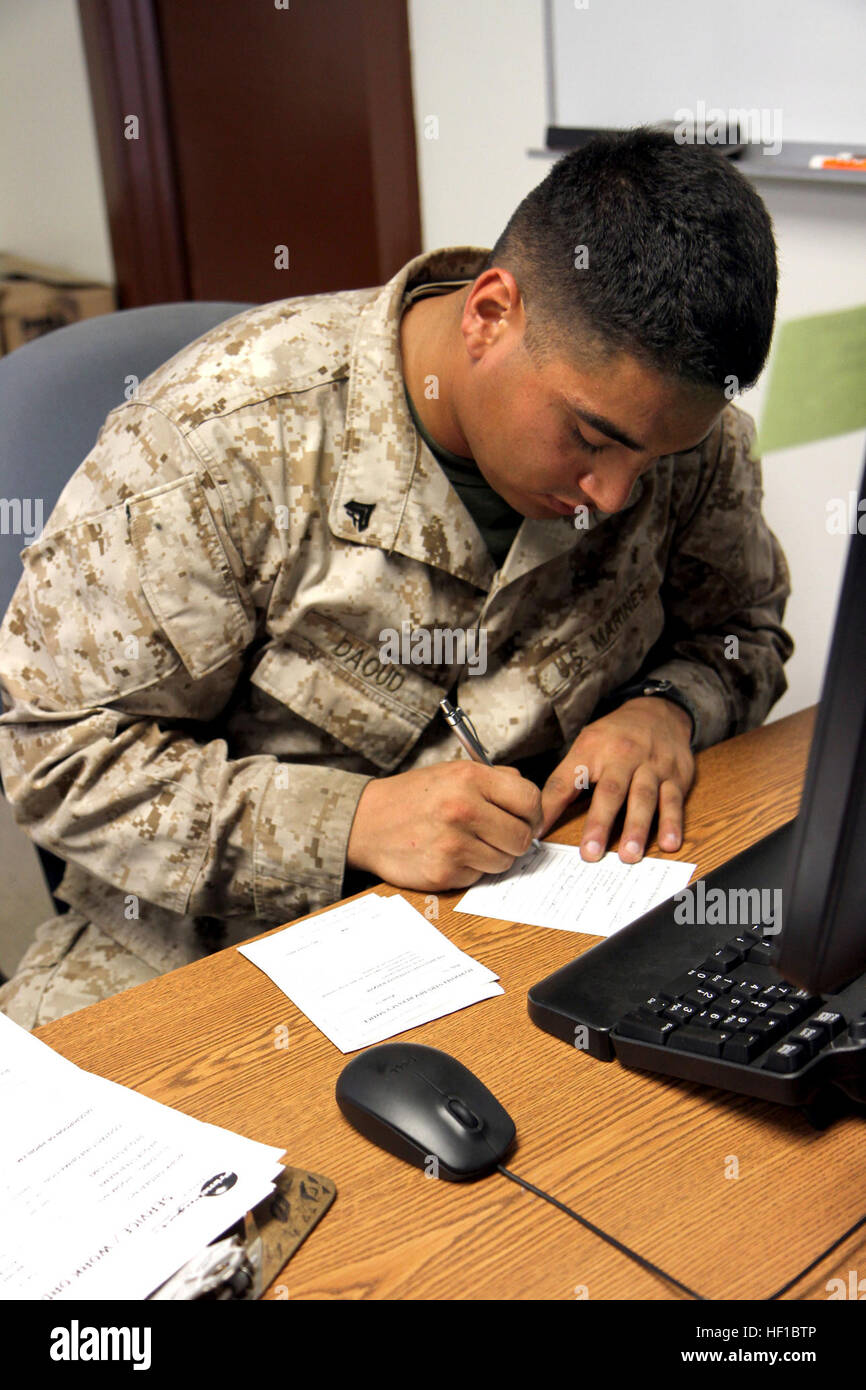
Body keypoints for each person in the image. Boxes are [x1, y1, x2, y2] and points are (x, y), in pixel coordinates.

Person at [0, 129, 792, 1029]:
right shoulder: (221, 436)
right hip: (205, 937)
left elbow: (743, 633)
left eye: (655, 458)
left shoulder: (681, 439)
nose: (613, 495)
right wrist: (350, 822)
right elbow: (55, 756)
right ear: (490, 315)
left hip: (519, 914)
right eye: (591, 438)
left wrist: (668, 708)